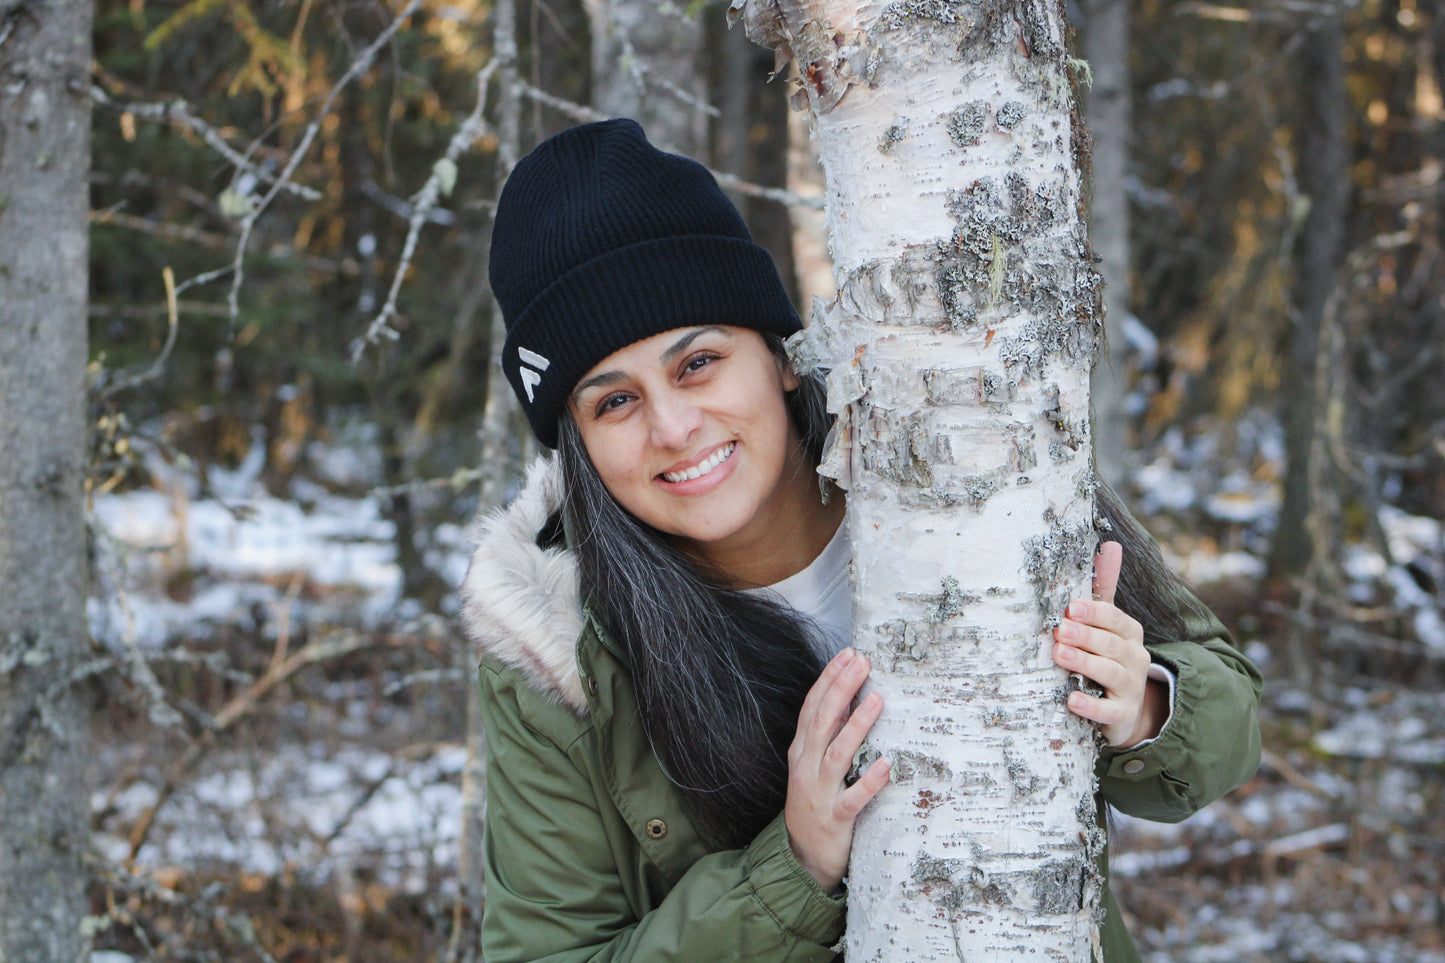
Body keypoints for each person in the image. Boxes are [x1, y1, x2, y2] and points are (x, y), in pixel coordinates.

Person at [460, 118, 1262, 962]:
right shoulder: (558, 656)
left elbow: (1230, 715)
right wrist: (794, 867)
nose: (673, 426)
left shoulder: (960, 465)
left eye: (697, 361)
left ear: (779, 357)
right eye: (612, 401)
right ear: (576, 440)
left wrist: (1145, 704)